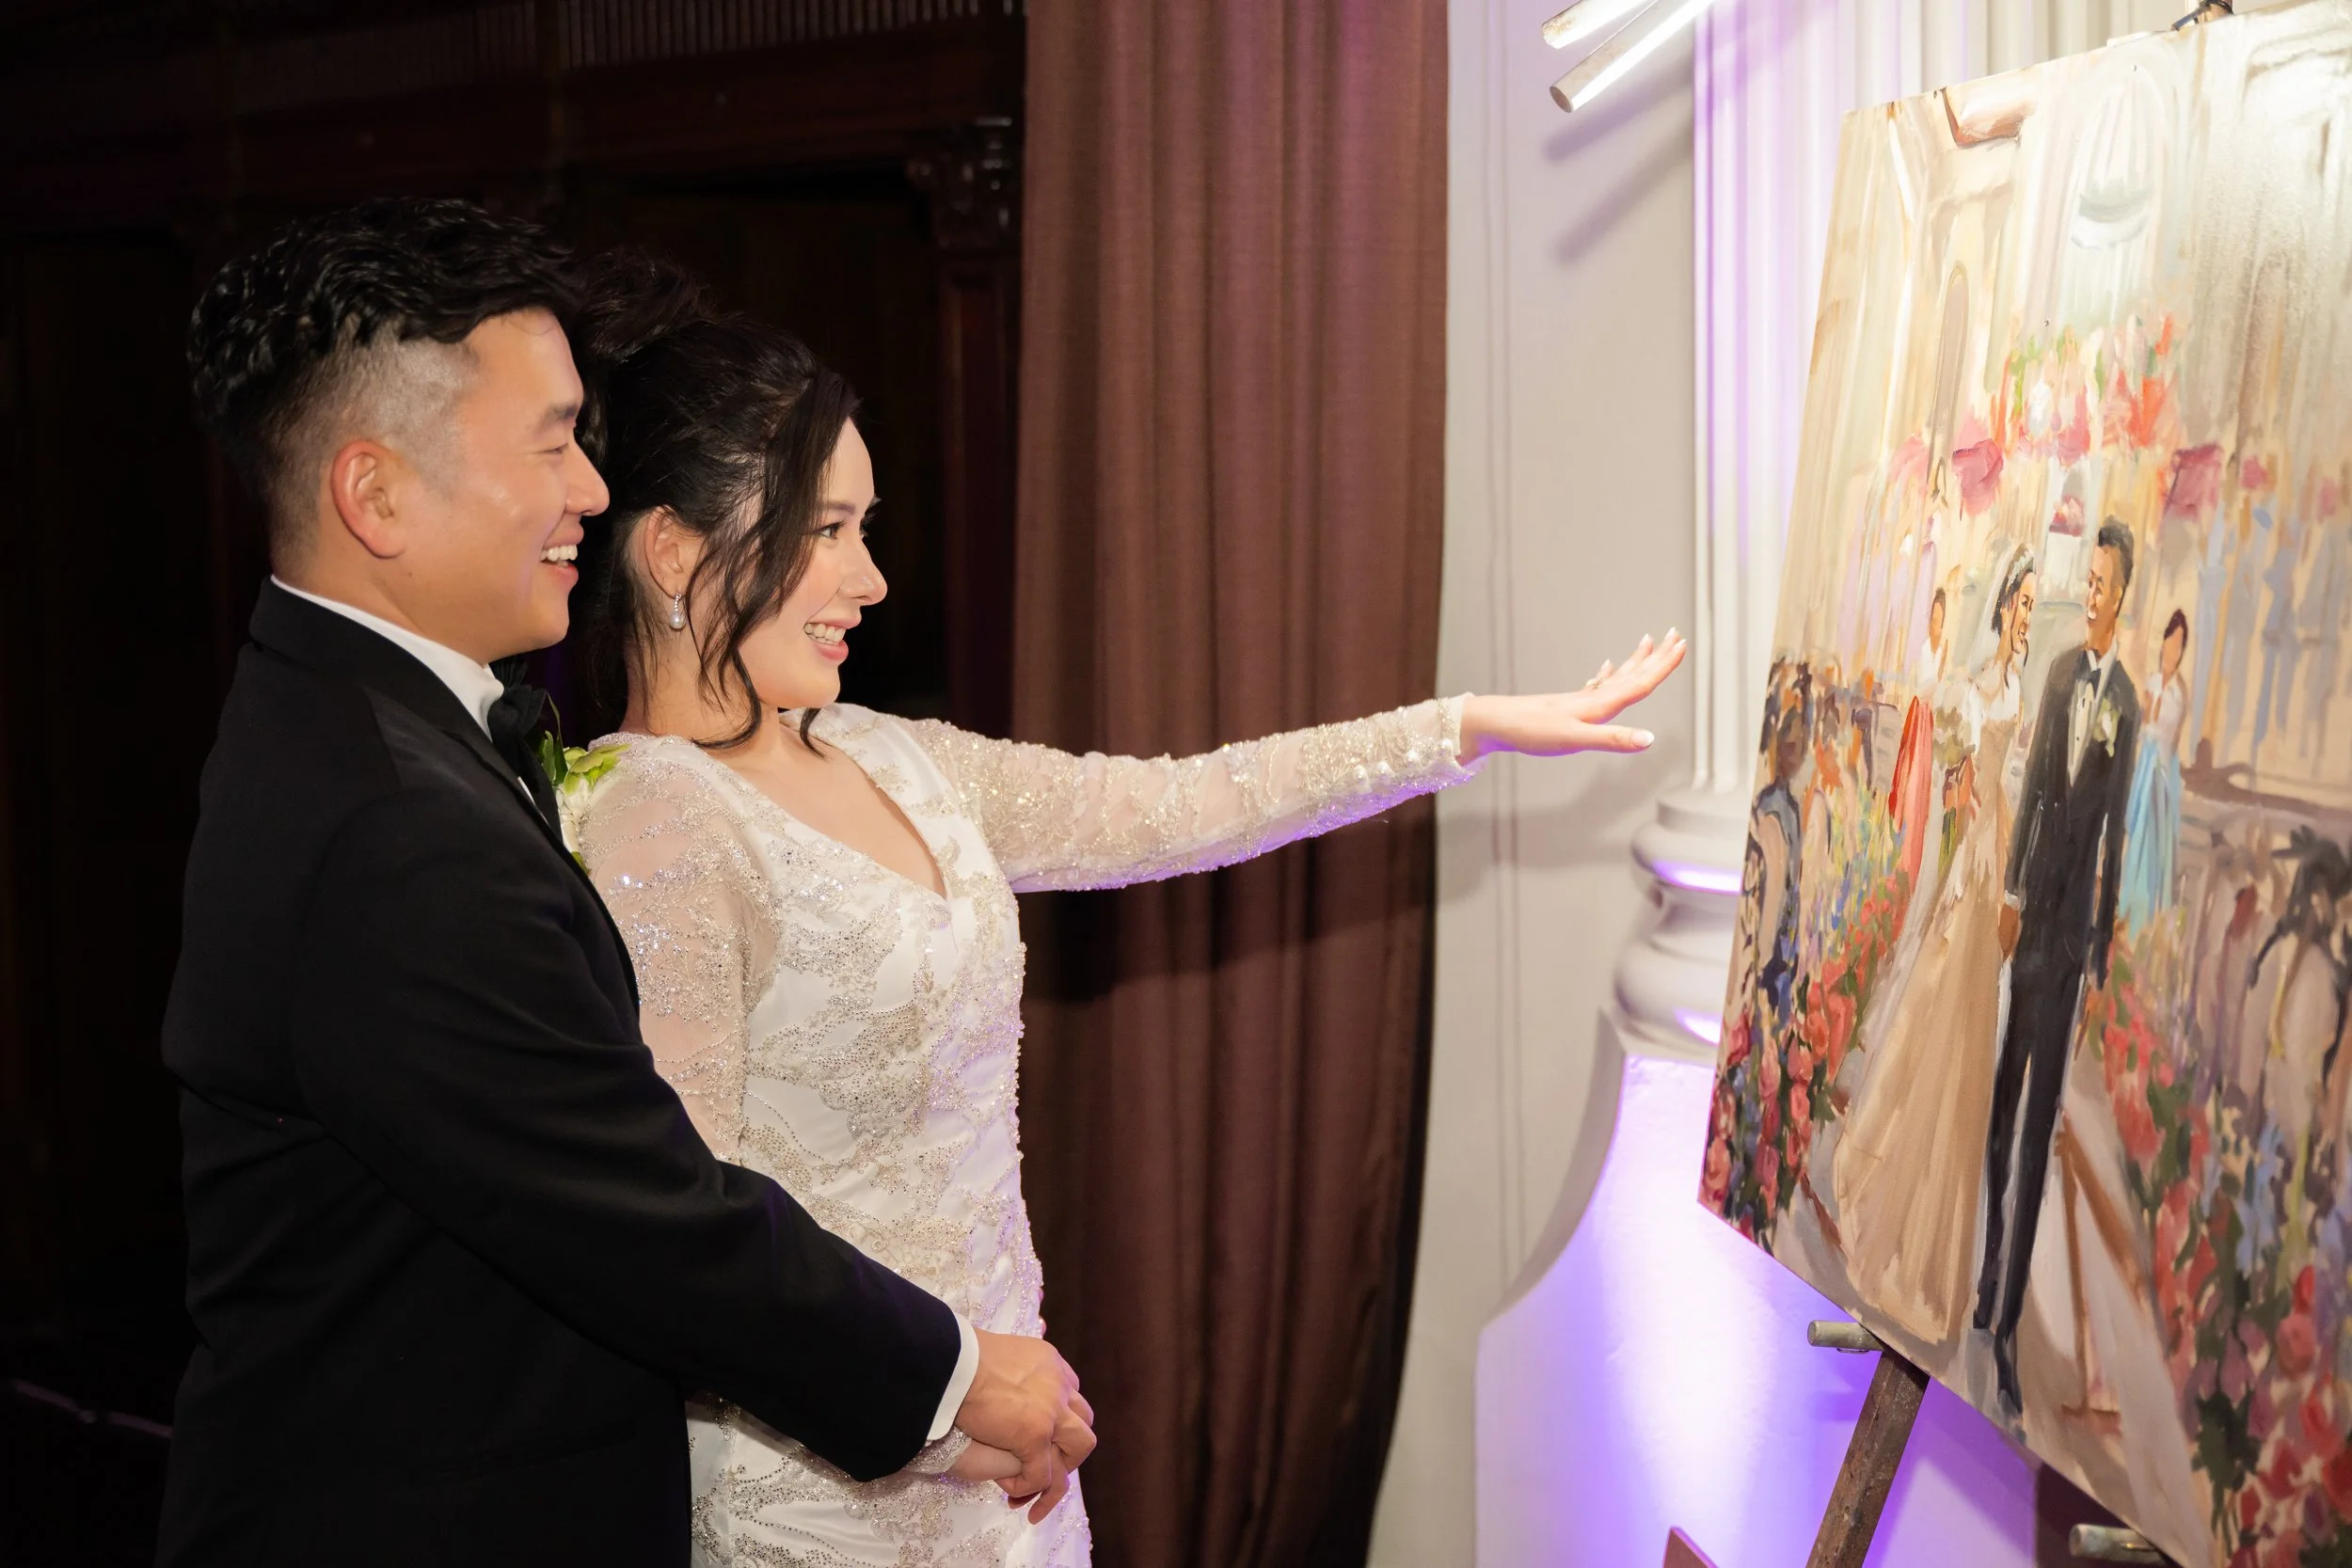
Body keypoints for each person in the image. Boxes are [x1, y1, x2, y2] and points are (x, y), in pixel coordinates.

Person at [560, 258, 1686, 1566]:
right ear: (673, 550)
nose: (869, 578)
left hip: (1021, 1457)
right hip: (827, 1482)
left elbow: (1181, 806)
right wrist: (940, 1412)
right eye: (825, 531)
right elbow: (690, 1241)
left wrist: (1459, 730)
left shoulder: (893, 753)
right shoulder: (653, 816)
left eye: (867, 528)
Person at [159, 201, 1090, 1568]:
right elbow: (646, 1212)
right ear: (377, 493)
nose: (592, 492)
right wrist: (957, 1377)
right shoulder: (392, 825)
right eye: (550, 445)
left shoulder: (336, 717)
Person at [1832, 551, 2035, 1350]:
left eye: (2029, 605)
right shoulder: (1980, 690)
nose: (2024, 615)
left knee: (1965, 1055)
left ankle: (1936, 1259)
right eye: (2017, 604)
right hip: (1970, 864)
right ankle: (1891, 1213)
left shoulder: (2023, 696)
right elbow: (1958, 779)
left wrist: (2011, 880)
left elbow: (2015, 792)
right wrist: (1958, 794)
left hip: (1998, 867)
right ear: (2002, 614)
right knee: (1931, 1027)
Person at [1978, 520, 2142, 1414]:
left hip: (2073, 941)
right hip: (2032, 918)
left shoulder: (2130, 708)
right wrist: (2009, 892)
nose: (2097, 593)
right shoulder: (2054, 678)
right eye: (2093, 578)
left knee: (2038, 1131)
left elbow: (2113, 837)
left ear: (2124, 596)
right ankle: (1990, 1266)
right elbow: (2038, 776)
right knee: (2003, 1111)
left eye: (2108, 582)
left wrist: (2101, 957)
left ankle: (2003, 1330)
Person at [2117, 610, 2189, 934]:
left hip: (2160, 772)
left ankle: (2141, 914)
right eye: (2170, 645)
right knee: (2134, 834)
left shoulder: (2178, 693)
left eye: (2179, 647)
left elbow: (2169, 738)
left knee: (2152, 843)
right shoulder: (2153, 682)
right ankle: (2125, 906)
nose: (2172, 652)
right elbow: (2145, 722)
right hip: (2145, 762)